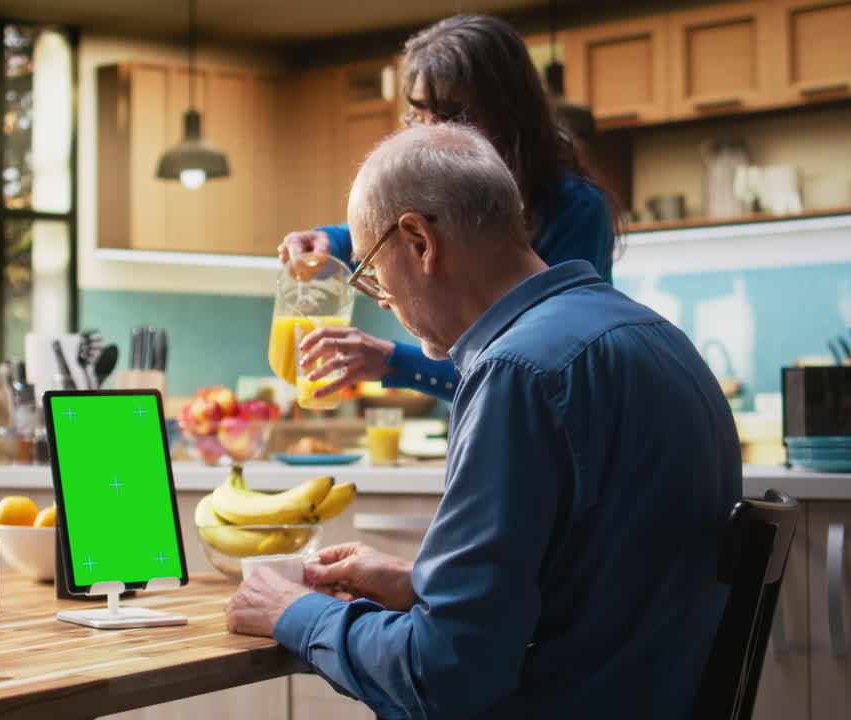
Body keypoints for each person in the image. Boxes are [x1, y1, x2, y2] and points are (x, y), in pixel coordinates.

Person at [227, 124, 742, 718]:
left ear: (419, 241)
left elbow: (443, 675)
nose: (383, 299)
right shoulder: (655, 335)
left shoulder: (517, 373)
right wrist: (421, 583)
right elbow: (604, 581)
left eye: (371, 272)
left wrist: (293, 612)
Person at [280, 14, 617, 404]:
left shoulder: (575, 208)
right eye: (418, 116)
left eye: (450, 116)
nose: (427, 133)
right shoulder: (439, 204)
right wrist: (331, 240)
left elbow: (532, 370)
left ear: (508, 112)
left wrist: (393, 360)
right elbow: (403, 229)